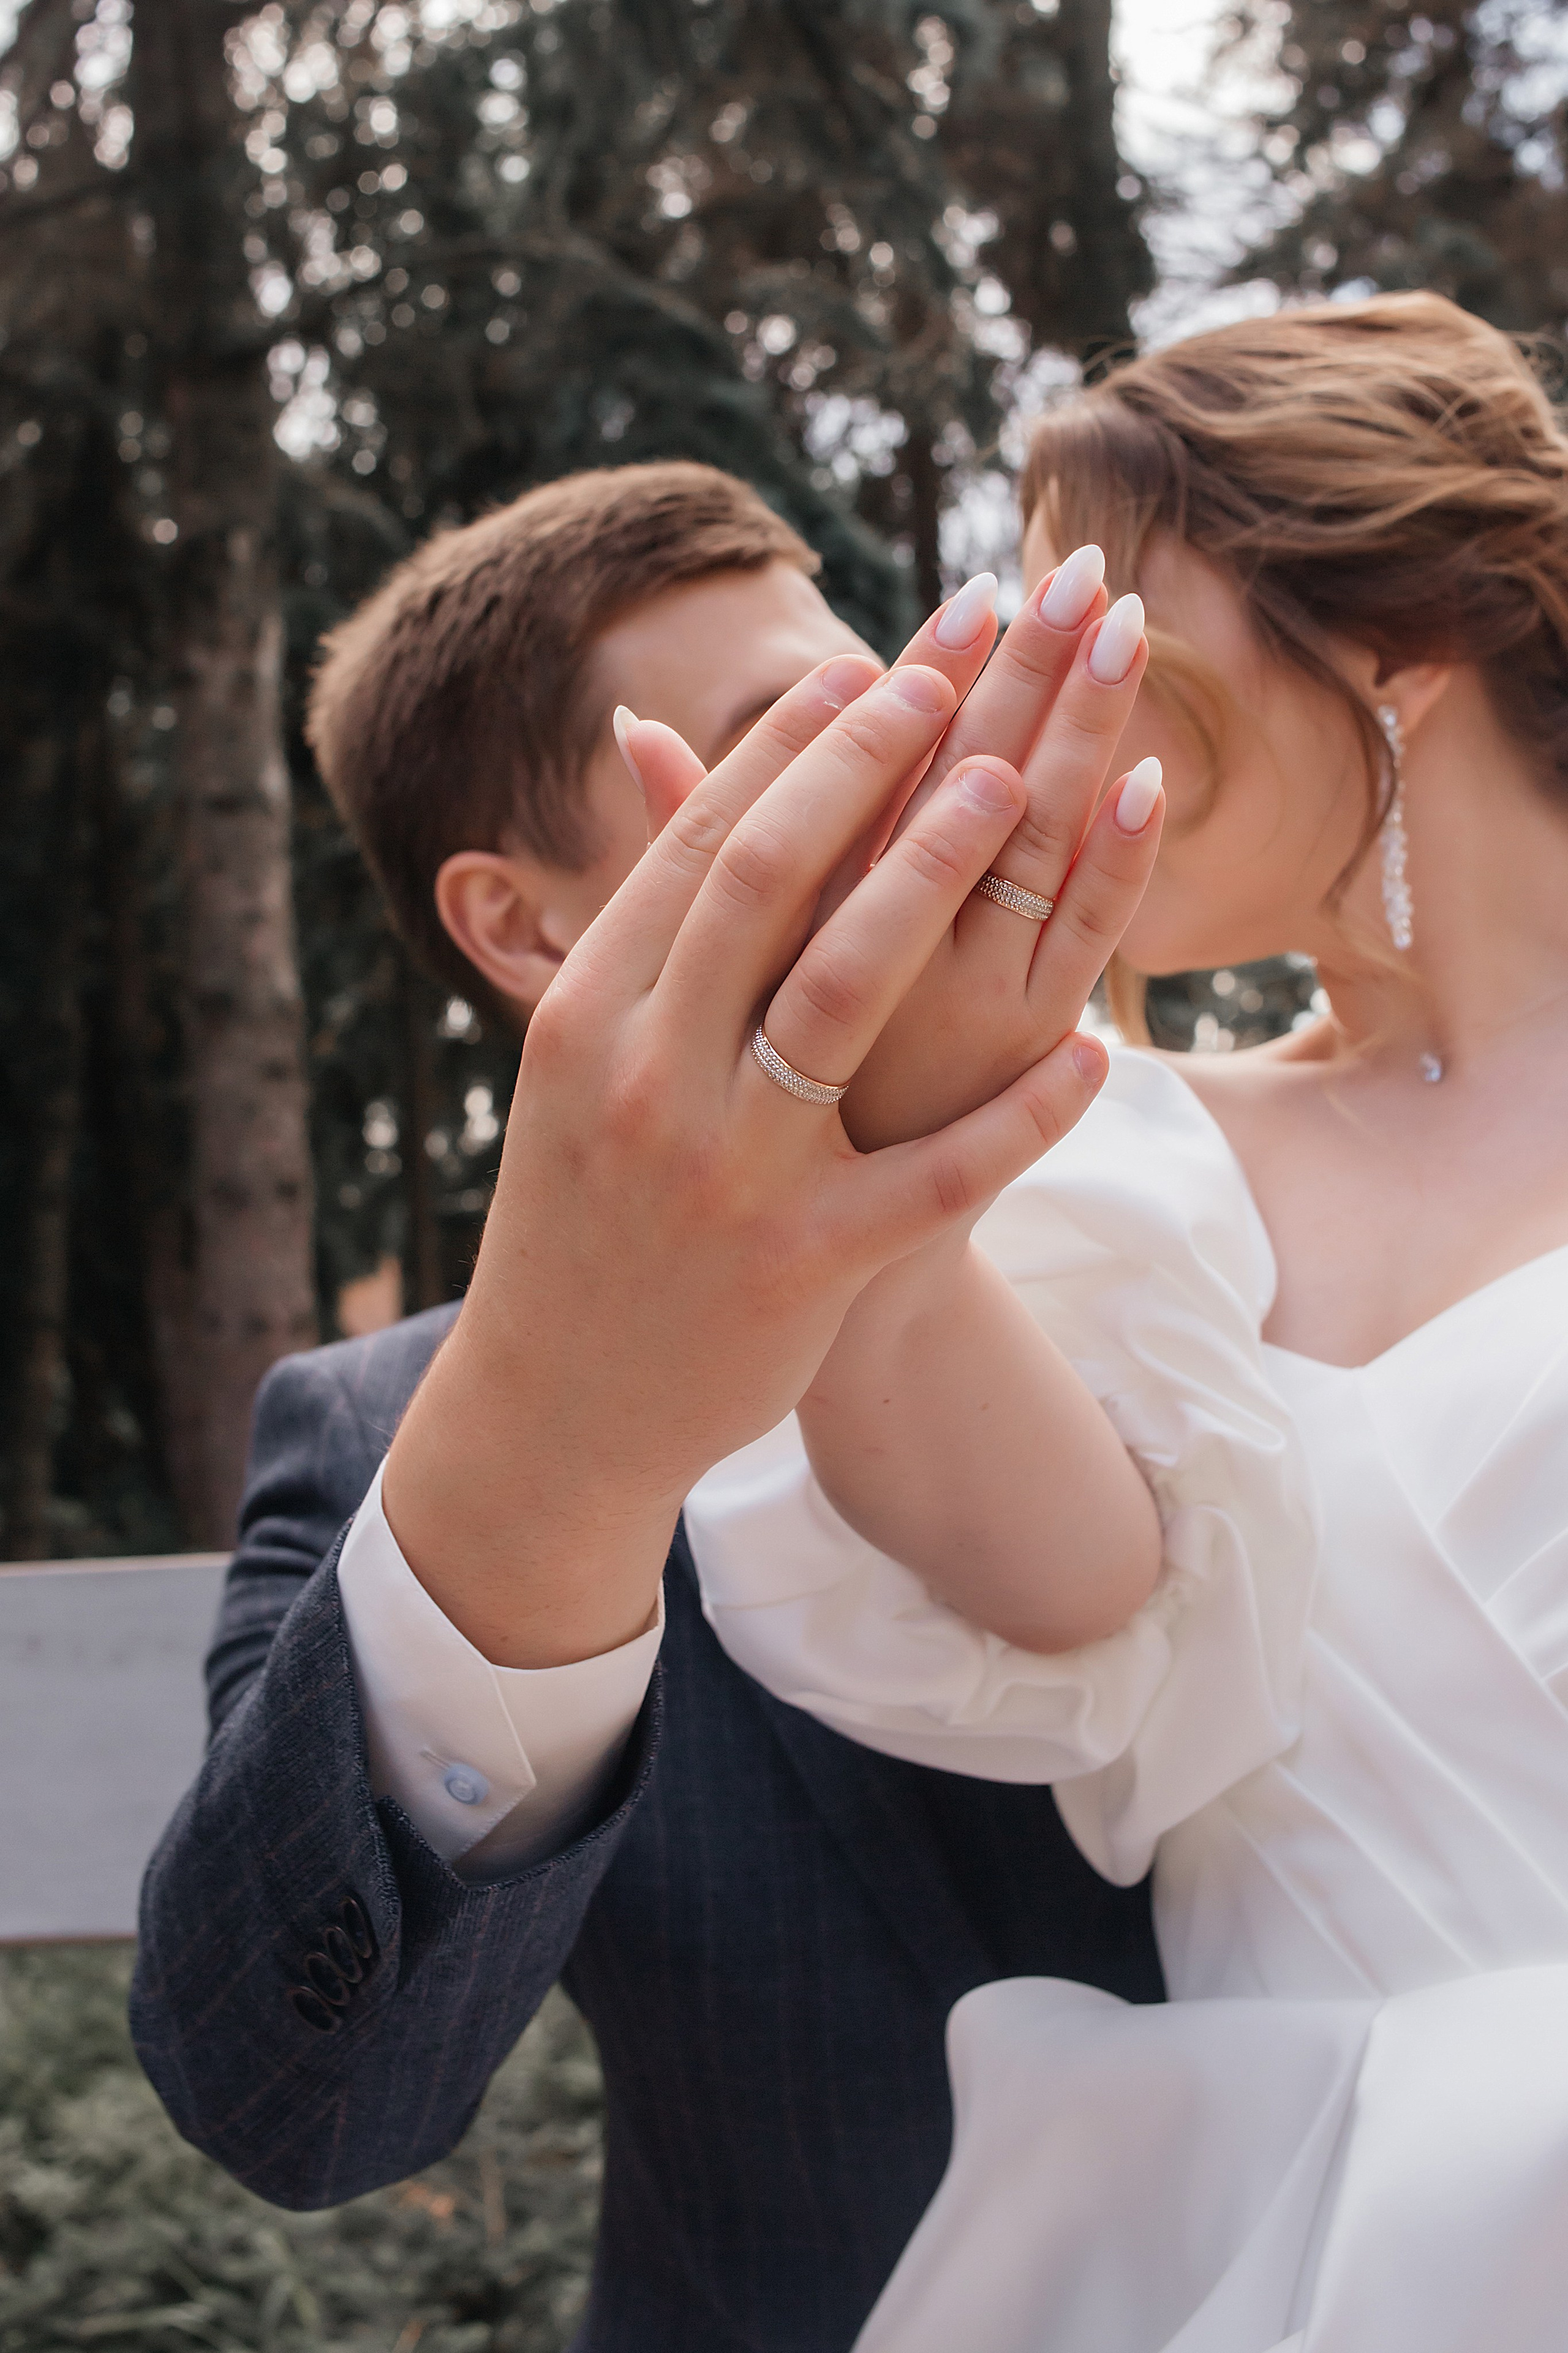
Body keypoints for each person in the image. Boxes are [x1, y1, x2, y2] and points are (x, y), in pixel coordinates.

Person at [129, 458, 1170, 2348]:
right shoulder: (384, 1429)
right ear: (523, 928)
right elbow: (290, 2098)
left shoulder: (1209, 1219)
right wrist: (559, 1440)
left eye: (910, 700)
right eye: (805, 741)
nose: (933, 774)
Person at [678, 292, 1568, 2351]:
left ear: (1405, 632)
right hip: (1303, 2251)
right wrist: (885, 1122)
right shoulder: (1130, 1156)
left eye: (1122, 647)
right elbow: (1070, 1583)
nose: (1062, 722)